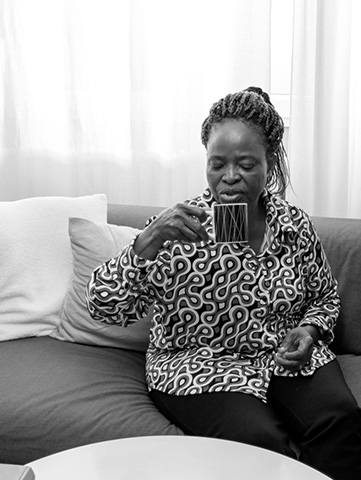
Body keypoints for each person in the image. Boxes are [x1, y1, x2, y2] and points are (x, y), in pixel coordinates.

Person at [86, 87, 361, 480]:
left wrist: (310, 329)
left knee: (340, 418)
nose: (230, 178)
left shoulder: (293, 225)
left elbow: (323, 296)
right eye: (218, 164)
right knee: (259, 443)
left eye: (247, 164)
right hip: (199, 366)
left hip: (279, 357)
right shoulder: (178, 229)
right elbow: (102, 306)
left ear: (269, 164)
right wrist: (146, 242)